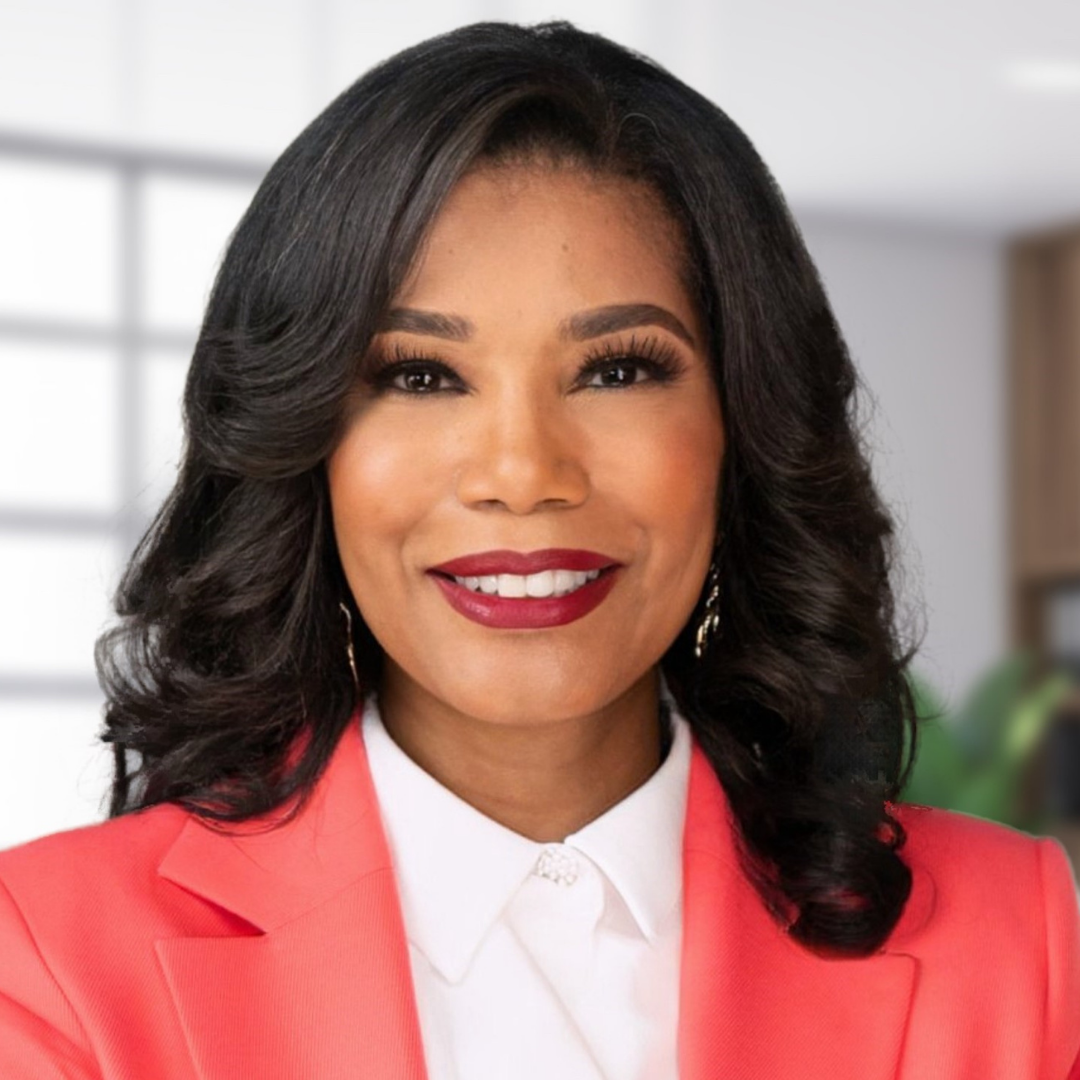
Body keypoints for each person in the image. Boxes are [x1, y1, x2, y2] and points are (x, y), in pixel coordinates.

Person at [1, 19, 1078, 1080]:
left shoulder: (1018, 937)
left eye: (616, 369)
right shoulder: (50, 957)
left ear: (741, 427)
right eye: (419, 375)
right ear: (305, 444)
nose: (521, 472)